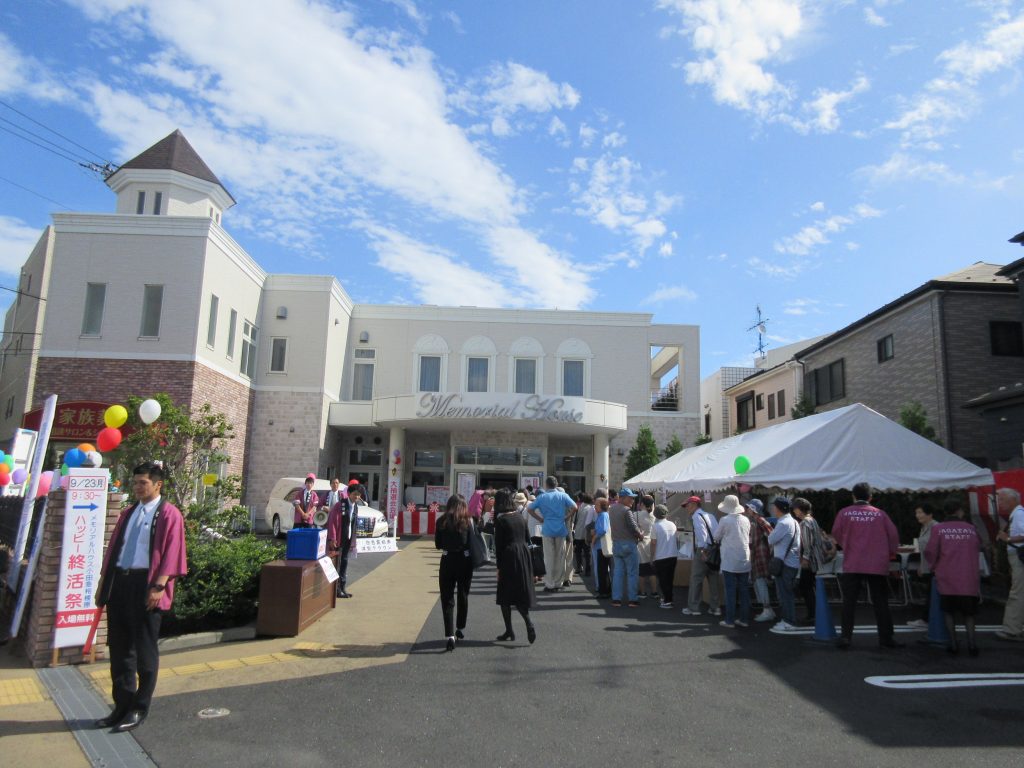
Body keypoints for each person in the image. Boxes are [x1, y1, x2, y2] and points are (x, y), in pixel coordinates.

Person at [94, 461, 187, 733]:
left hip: (147, 584)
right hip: (120, 583)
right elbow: (115, 549)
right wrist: (104, 583)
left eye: (143, 483)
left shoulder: (169, 514)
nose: (137, 487)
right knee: (120, 648)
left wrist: (159, 586)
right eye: (135, 482)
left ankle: (139, 707)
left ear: (158, 485)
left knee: (145, 651)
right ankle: (121, 705)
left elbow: (173, 552)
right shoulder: (128, 513)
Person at [831, 482, 901, 650]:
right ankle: (886, 638)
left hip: (853, 562)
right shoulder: (880, 514)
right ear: (871, 497)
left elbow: (836, 533)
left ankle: (846, 637)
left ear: (853, 496)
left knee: (849, 602)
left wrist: (847, 545)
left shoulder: (844, 513)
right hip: (877, 563)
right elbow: (893, 537)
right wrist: (889, 552)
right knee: (881, 602)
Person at [925, 498, 982, 655]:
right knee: (969, 613)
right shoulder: (971, 529)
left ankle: (953, 644)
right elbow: (979, 546)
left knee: (949, 612)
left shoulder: (939, 529)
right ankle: (972, 644)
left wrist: (934, 566)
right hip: (967, 576)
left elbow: (930, 551)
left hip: (947, 575)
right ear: (959, 511)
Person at [493, 489, 537, 643]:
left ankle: (509, 630)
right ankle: (528, 622)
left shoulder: (501, 520)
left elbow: (498, 546)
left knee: (505, 595)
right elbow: (527, 538)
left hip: (508, 556)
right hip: (523, 554)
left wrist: (498, 568)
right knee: (520, 593)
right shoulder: (519, 516)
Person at [434, 494, 474, 652]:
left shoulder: (441, 521)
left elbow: (438, 545)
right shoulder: (468, 521)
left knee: (447, 598)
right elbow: (471, 543)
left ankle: (449, 634)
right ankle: (460, 628)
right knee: (463, 594)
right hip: (465, 561)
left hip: (447, 559)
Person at [527, 476, 577, 592]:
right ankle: (558, 583)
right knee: (560, 557)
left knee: (548, 557)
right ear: (556, 484)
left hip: (547, 528)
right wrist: (566, 517)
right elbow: (574, 507)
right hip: (560, 528)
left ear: (546, 484)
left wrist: (540, 519)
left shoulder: (542, 497)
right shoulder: (563, 495)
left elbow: (530, 509)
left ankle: (549, 583)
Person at [714, 495, 752, 628]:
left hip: (730, 559)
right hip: (744, 558)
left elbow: (716, 537)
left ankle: (729, 620)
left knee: (730, 590)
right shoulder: (746, 520)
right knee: (744, 590)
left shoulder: (724, 520)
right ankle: (744, 619)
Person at [683, 495, 721, 617]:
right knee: (713, 579)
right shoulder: (710, 515)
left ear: (694, 505)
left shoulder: (696, 516)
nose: (686, 509)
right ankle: (715, 607)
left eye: (687, 506)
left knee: (696, 579)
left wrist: (703, 551)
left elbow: (702, 535)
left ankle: (693, 607)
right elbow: (716, 534)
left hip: (704, 549)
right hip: (714, 549)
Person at [766, 497, 800, 631]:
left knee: (785, 594)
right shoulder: (793, 521)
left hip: (784, 563)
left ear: (779, 508)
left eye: (775, 506)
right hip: (791, 561)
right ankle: (787, 619)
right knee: (787, 593)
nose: (773, 509)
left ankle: (789, 621)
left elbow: (771, 539)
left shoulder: (783, 523)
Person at [995, 487, 1024, 642]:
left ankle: (1012, 629)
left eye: (1002, 499)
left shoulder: (1018, 514)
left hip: (1019, 558)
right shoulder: (1018, 513)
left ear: (1013, 500)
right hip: (1018, 557)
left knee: (1017, 594)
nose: (1000, 503)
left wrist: (1007, 539)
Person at [608, 488, 643, 607]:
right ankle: (632, 599)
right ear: (622, 498)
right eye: (630, 498)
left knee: (618, 572)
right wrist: (640, 535)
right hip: (628, 543)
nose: (632, 500)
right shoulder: (627, 510)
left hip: (616, 543)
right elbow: (633, 526)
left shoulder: (611, 509)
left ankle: (616, 599)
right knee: (632, 573)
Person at [792, 497, 825, 624]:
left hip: (810, 560)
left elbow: (807, 543)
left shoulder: (805, 522)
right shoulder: (812, 520)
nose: (794, 511)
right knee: (809, 586)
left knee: (805, 587)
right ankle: (814, 613)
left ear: (800, 509)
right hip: (815, 558)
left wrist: (805, 558)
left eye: (795, 508)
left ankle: (813, 615)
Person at [327, 483, 363, 598]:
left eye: (358, 495)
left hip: (348, 538)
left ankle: (342, 587)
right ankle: (336, 589)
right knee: (337, 563)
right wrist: (332, 538)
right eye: (354, 494)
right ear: (349, 494)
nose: (356, 497)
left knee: (344, 562)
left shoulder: (355, 506)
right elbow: (332, 521)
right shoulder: (340, 505)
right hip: (338, 539)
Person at [907, 502, 936, 629]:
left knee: (932, 594)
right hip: (928, 566)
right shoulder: (924, 528)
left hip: (936, 567)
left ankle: (927, 620)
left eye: (920, 512)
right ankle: (928, 619)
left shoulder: (936, 527)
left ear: (929, 514)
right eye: (916, 513)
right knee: (930, 594)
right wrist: (921, 566)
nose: (917, 515)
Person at [745, 499, 775, 622]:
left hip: (761, 555)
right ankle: (767, 610)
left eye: (748, 508)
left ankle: (767, 609)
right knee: (758, 581)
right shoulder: (755, 521)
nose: (746, 510)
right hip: (758, 555)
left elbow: (772, 536)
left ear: (753, 509)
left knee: (760, 581)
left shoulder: (760, 520)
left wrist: (769, 549)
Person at [649, 504, 678, 608]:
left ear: (655, 514)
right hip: (673, 555)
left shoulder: (655, 526)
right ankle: (668, 598)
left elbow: (653, 543)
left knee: (663, 580)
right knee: (669, 579)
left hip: (661, 556)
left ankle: (668, 601)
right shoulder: (672, 524)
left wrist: (651, 557)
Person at [636, 494, 658, 598]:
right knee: (652, 570)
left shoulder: (636, 515)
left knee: (641, 570)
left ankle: (643, 592)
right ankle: (654, 592)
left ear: (642, 504)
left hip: (641, 543)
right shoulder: (655, 516)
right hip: (652, 542)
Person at [590, 496, 612, 598]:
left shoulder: (603, 515)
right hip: (601, 546)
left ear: (602, 506)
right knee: (603, 570)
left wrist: (594, 538)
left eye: (596, 505)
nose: (595, 507)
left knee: (602, 570)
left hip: (601, 546)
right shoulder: (602, 515)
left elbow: (603, 530)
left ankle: (603, 591)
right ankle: (605, 590)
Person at [574, 492, 595, 579]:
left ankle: (579, 567)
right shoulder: (591, 509)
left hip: (578, 533)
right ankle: (588, 569)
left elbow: (576, 520)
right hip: (586, 533)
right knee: (587, 553)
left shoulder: (579, 507)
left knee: (578, 552)